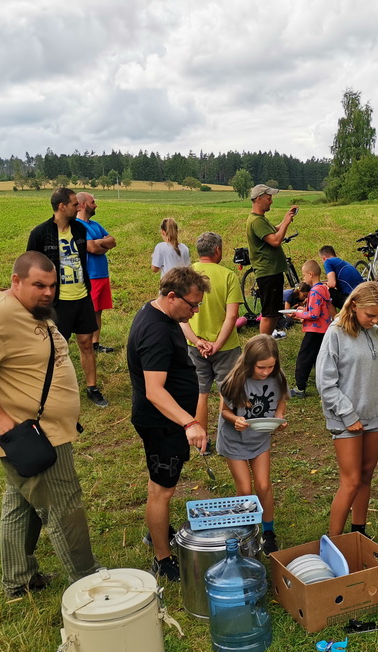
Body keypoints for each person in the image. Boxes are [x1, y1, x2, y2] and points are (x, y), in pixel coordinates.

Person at [0, 252, 99, 598]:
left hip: (43, 431)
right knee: (64, 505)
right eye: (39, 285)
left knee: (21, 503)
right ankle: (88, 580)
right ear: (16, 281)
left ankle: (19, 578)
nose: (48, 292)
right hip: (34, 435)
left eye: (53, 285)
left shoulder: (30, 309)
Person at [127, 266, 211, 582]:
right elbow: (154, 391)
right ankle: (163, 559)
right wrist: (189, 422)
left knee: (159, 485)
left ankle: (157, 531)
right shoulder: (156, 332)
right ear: (172, 296)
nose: (195, 310)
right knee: (162, 491)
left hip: (165, 421)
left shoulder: (161, 314)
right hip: (161, 423)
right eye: (192, 304)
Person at [317, 281, 378, 537]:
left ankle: (359, 534)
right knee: (350, 482)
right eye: (370, 315)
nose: (375, 320)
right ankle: (333, 542)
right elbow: (325, 383)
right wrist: (348, 415)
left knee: (365, 477)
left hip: (375, 416)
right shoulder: (335, 334)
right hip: (345, 420)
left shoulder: (376, 334)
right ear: (353, 306)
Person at [25, 187, 107, 408]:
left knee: (87, 343)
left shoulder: (79, 229)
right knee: (56, 348)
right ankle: (54, 390)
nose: (78, 207)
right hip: (57, 302)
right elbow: (30, 267)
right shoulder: (40, 233)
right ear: (62, 207)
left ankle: (92, 388)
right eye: (74, 204)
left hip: (82, 296)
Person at [217, 334, 289, 554]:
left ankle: (268, 532)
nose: (266, 372)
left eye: (270, 367)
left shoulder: (278, 377)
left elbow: (281, 399)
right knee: (245, 489)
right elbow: (224, 411)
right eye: (261, 368)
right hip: (234, 441)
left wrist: (279, 417)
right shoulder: (234, 380)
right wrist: (236, 420)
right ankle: (245, 532)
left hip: (259, 439)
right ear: (249, 363)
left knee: (264, 486)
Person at [180, 232, 242, 452]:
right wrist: (218, 344)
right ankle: (227, 440)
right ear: (217, 250)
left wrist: (197, 341)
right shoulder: (228, 276)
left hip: (194, 347)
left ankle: (202, 442)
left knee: (201, 393)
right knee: (228, 392)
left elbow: (181, 318)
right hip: (226, 347)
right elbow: (232, 316)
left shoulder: (185, 275)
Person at [246, 184, 297, 336]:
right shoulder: (256, 221)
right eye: (269, 198)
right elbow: (275, 240)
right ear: (259, 199)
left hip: (272, 272)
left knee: (274, 312)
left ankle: (267, 341)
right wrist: (286, 223)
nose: (271, 201)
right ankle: (262, 344)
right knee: (269, 314)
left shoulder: (260, 219)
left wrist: (286, 219)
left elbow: (274, 230)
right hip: (268, 273)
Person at [75, 192, 117, 354]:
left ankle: (95, 343)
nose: (96, 205)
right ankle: (86, 343)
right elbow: (91, 248)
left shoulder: (95, 224)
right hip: (90, 275)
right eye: (93, 202)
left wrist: (99, 242)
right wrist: (102, 245)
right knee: (89, 311)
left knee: (98, 310)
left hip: (102, 274)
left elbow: (112, 241)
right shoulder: (77, 225)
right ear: (83, 204)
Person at [290, 261, 333, 399]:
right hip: (324, 329)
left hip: (315, 330)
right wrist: (304, 309)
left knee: (304, 358)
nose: (303, 278)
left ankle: (300, 388)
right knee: (320, 358)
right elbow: (319, 308)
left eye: (304, 275)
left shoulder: (314, 291)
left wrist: (298, 314)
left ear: (311, 274)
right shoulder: (323, 288)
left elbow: (314, 315)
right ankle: (324, 383)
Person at [321, 245, 365, 310]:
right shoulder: (344, 262)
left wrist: (324, 284)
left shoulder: (328, 262)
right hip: (363, 297)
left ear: (323, 258)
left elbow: (332, 284)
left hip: (352, 300)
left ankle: (334, 316)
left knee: (324, 289)